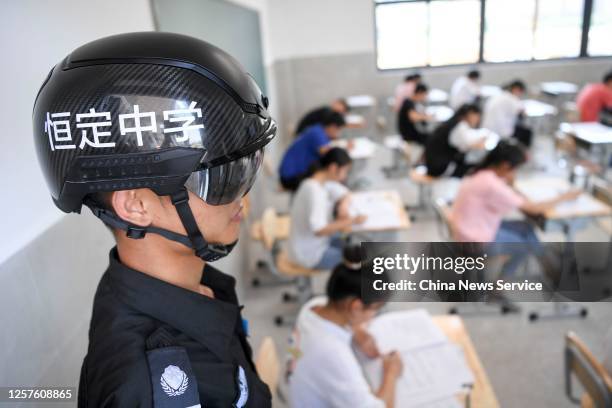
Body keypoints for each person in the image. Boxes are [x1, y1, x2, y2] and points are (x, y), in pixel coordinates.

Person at [32, 32, 276, 407]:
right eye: (224, 180)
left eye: (247, 171)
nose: (244, 198)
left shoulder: (190, 283)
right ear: (135, 206)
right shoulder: (148, 387)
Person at [288, 245, 403, 408]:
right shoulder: (333, 353)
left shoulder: (313, 307)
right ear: (356, 307)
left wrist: (358, 332)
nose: (374, 316)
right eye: (376, 309)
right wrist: (391, 372)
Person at [449, 141, 580, 276]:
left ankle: (546, 263)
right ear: (506, 166)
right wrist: (564, 197)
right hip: (474, 240)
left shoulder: (481, 174)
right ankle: (499, 288)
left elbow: (517, 199)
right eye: (515, 169)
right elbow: (533, 209)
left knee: (526, 227)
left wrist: (511, 184)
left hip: (466, 229)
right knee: (524, 246)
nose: (515, 173)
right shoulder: (492, 185)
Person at [288, 148, 366, 270]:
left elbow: (345, 193)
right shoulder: (315, 192)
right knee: (360, 258)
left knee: (351, 241)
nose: (345, 177)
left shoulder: (317, 181)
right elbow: (319, 230)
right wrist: (352, 221)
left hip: (313, 242)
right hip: (310, 254)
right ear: (334, 168)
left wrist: (343, 205)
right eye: (345, 171)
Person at [279, 111, 346, 191]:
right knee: (325, 181)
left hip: (292, 172)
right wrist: (344, 147)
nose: (338, 134)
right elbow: (329, 154)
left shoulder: (318, 129)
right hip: (290, 177)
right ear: (333, 126)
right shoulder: (317, 134)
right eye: (338, 130)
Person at [425, 104, 493, 177]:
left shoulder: (455, 121)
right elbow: (469, 145)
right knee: (475, 169)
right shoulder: (460, 126)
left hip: (432, 162)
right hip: (440, 167)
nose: (477, 120)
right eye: (477, 117)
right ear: (470, 114)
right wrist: (482, 140)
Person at [482, 80, 533, 147]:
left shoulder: (499, 95)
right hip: (500, 131)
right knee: (527, 132)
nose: (520, 95)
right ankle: (522, 154)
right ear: (516, 89)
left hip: (487, 127)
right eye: (521, 92)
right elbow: (523, 112)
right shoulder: (511, 98)